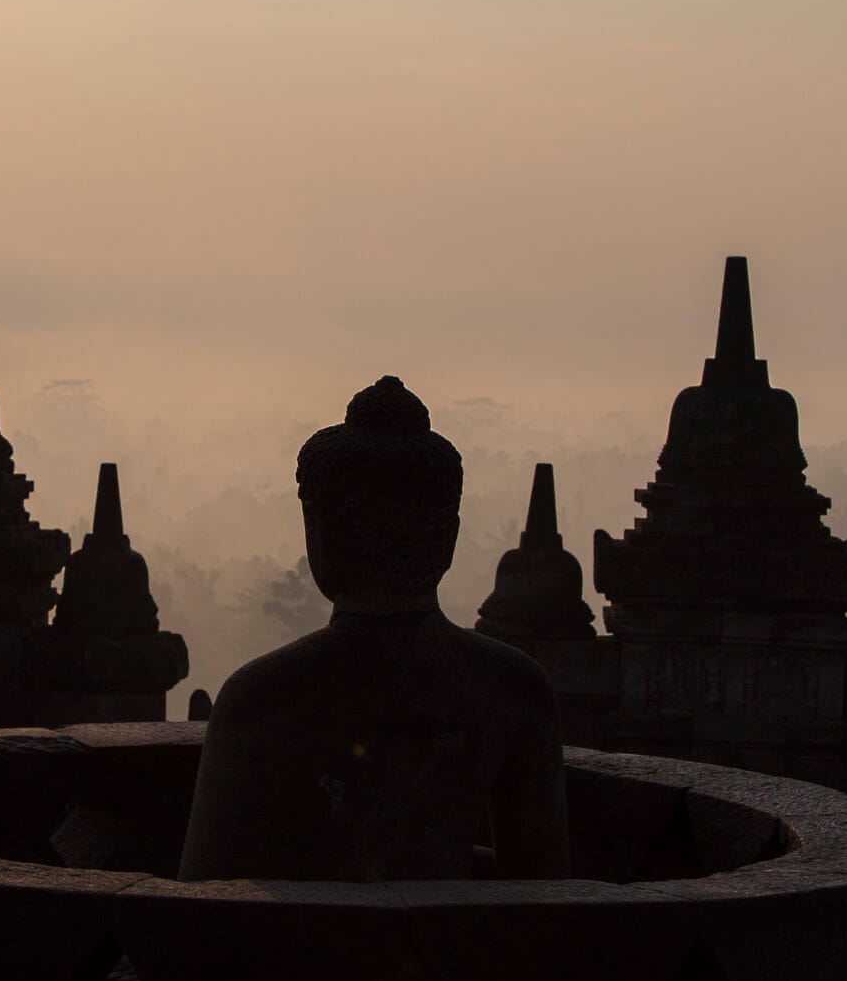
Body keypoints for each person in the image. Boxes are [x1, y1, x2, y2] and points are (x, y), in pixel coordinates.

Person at [179, 376, 569, 883]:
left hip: (304, 957)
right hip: (456, 958)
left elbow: (201, 905)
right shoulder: (515, 689)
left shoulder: (259, 699)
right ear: (447, 538)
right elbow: (545, 897)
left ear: (323, 533)